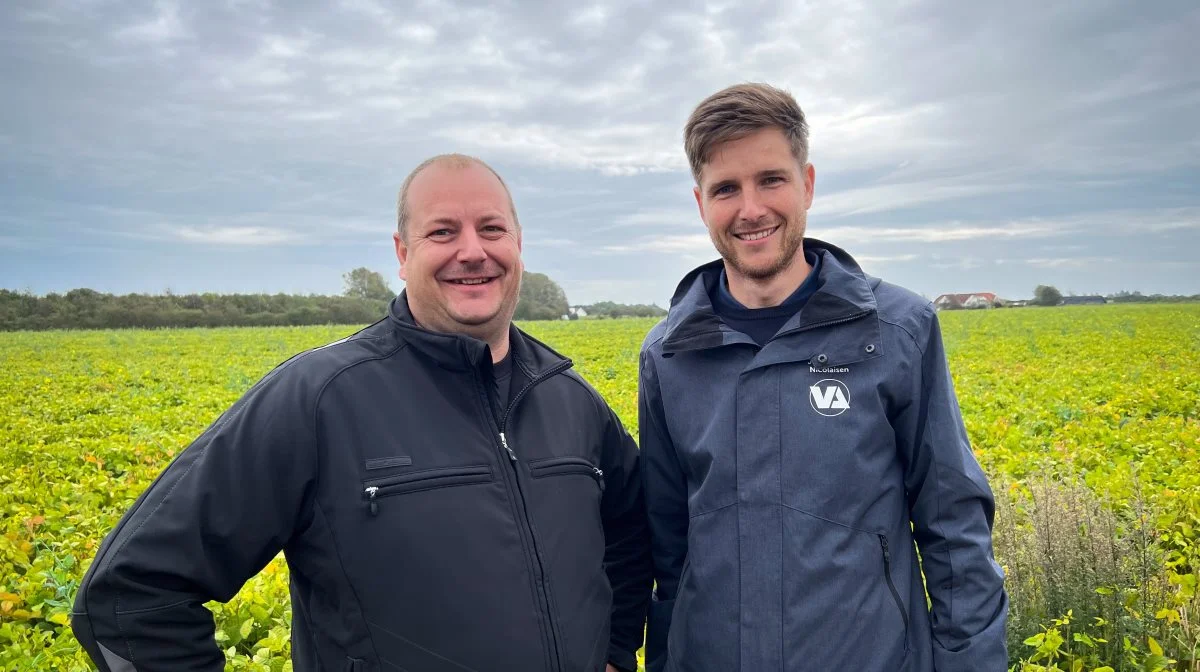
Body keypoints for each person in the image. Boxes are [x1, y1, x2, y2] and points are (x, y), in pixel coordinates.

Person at [71, 153, 652, 672]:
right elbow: (131, 595)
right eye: (442, 231)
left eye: (491, 228)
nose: (472, 251)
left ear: (518, 243)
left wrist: (615, 653)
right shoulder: (318, 397)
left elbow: (629, 539)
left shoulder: (571, 399)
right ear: (403, 254)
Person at [638, 83, 1008, 671]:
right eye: (726, 189)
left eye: (771, 179)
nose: (751, 208)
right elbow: (666, 547)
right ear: (700, 202)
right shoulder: (669, 355)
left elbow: (953, 526)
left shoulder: (898, 330)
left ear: (807, 183)